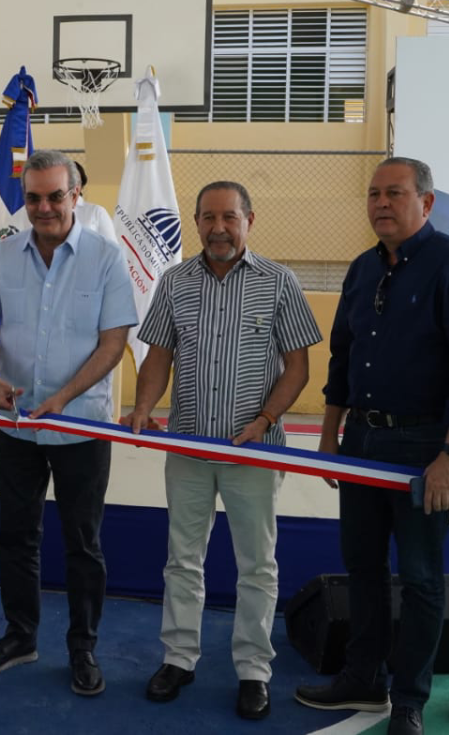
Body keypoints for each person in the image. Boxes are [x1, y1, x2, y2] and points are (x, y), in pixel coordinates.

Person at [295, 157, 449, 735]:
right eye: (374, 194)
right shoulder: (363, 269)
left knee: (421, 577)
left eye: (395, 193)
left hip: (425, 446)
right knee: (361, 566)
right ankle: (362, 678)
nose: (381, 203)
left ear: (426, 203)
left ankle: (408, 699)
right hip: (360, 440)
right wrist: (330, 436)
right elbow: (342, 354)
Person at [124, 181, 321, 719]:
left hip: (255, 453)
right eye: (208, 218)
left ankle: (254, 670)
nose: (218, 228)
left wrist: (265, 420)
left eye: (229, 217)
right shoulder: (175, 282)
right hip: (188, 448)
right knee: (182, 561)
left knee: (256, 565)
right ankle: (178, 658)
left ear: (249, 221)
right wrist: (143, 406)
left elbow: (298, 366)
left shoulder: (279, 282)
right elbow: (158, 354)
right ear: (195, 222)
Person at [0, 149, 138, 696]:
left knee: (82, 543)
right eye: (34, 198)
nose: (44, 207)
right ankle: (20, 637)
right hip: (16, 425)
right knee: (15, 536)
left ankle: (82, 648)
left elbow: (113, 344)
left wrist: (63, 398)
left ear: (76, 196)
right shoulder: (3, 256)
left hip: (82, 426)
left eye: (55, 196)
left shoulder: (106, 259)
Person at [73, 161, 119, 245]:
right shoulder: (50, 211)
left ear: (81, 184)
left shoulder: (96, 211)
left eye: (75, 180)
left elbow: (113, 248)